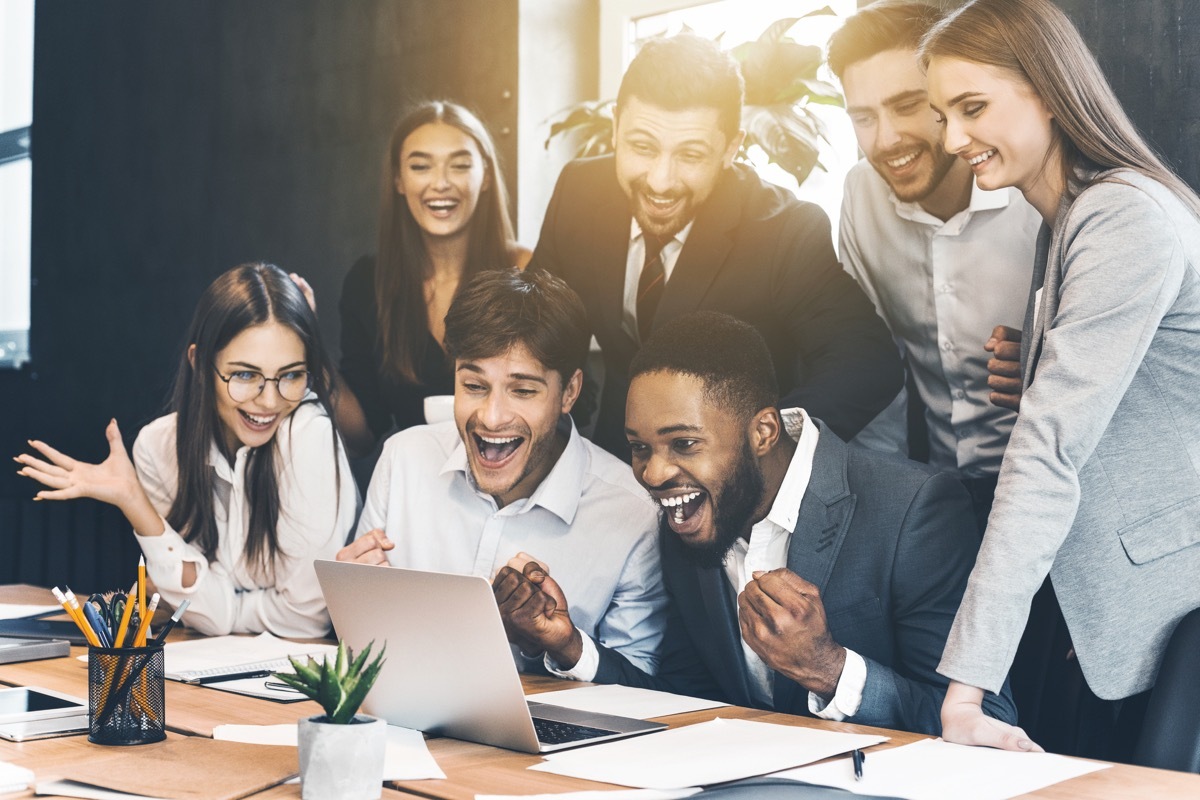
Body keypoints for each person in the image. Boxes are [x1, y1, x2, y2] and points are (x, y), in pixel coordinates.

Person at [500, 312, 1016, 735]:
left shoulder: (913, 509)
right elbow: (689, 699)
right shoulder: (686, 518)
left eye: (684, 444)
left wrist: (829, 669)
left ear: (764, 431)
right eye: (639, 448)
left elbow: (985, 721)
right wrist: (568, 647)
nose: (653, 474)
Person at [922, 0, 1200, 757]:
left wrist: (967, 690)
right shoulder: (1068, 222)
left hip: (1167, 621)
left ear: (1047, 88)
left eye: (972, 107)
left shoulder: (1121, 219)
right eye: (944, 115)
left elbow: (1047, 451)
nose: (952, 140)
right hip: (1102, 618)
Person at [528, 34, 902, 458]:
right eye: (642, 147)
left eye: (690, 155)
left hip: (736, 482)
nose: (660, 181)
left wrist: (756, 449)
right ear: (616, 126)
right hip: (614, 461)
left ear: (730, 148)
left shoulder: (785, 229)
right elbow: (539, 332)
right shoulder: (578, 191)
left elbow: (868, 364)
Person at [337, 268, 666, 677]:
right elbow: (356, 649)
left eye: (523, 390)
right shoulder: (403, 459)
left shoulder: (633, 512)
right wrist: (352, 598)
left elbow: (643, 686)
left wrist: (566, 645)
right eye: (474, 386)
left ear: (569, 392)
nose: (491, 418)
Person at [16, 263, 358, 638]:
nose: (269, 400)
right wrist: (134, 502)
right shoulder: (158, 446)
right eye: (244, 375)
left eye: (291, 375)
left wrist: (222, 609)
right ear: (198, 364)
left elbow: (303, 620)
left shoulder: (309, 434)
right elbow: (194, 610)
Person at [827, 0, 1042, 530]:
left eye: (906, 105)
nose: (885, 140)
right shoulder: (860, 193)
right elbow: (875, 365)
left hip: (1053, 484)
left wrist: (1046, 359)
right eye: (863, 117)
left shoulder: (1036, 197)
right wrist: (884, 512)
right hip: (936, 491)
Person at [324, 101, 531, 456]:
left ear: (486, 176)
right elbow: (360, 435)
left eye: (460, 165)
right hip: (415, 490)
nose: (441, 183)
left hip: (513, 486)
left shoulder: (526, 269)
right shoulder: (368, 282)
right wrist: (305, 350)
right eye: (420, 166)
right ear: (399, 181)